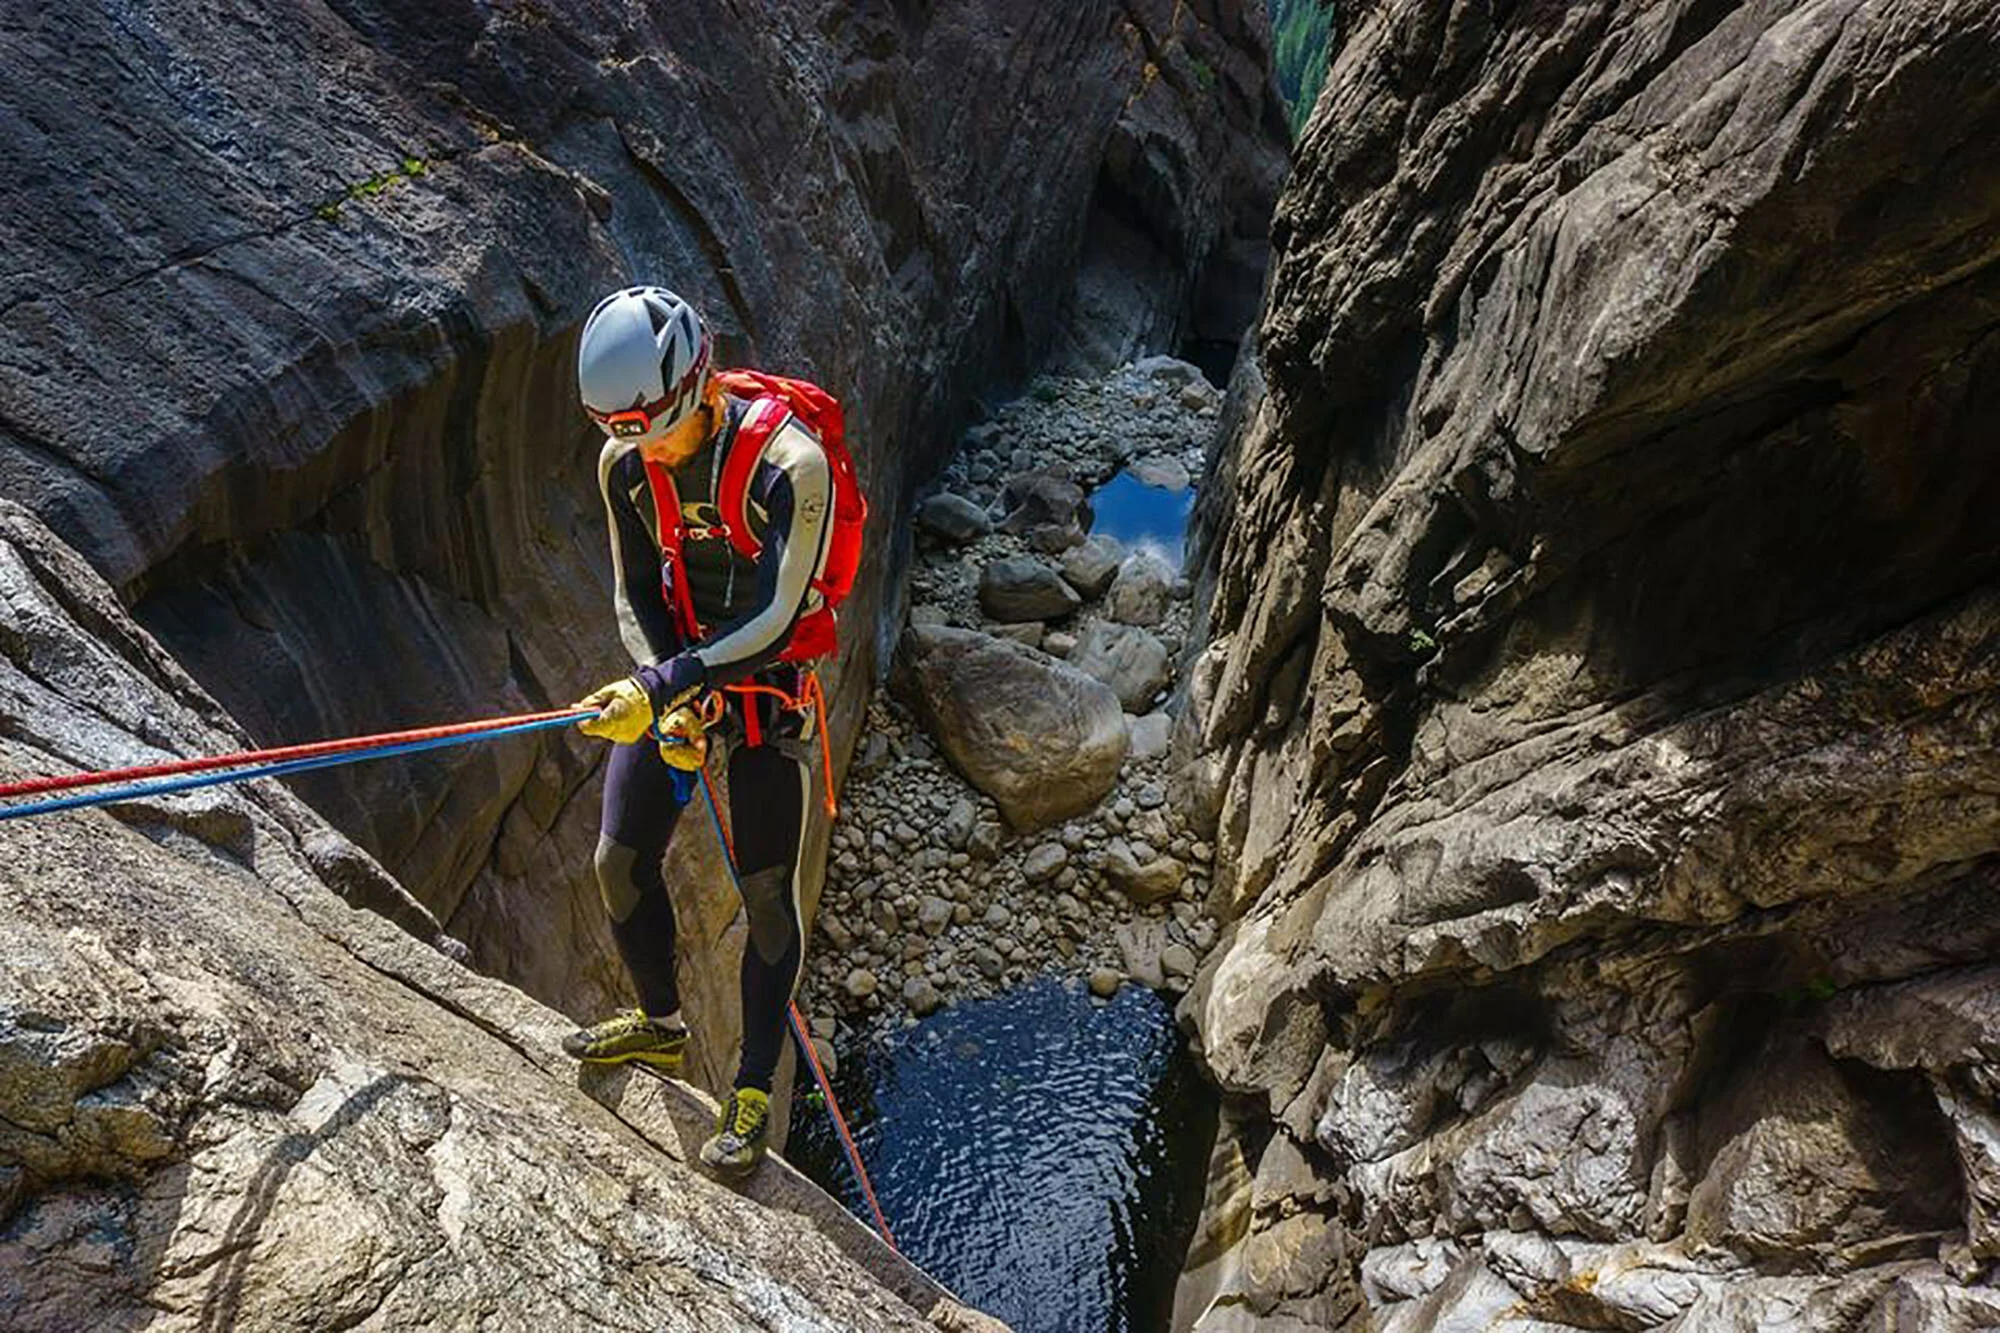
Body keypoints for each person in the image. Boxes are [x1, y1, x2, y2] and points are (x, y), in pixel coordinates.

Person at [564, 285, 835, 1176]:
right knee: (616, 860)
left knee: (766, 895)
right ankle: (660, 1027)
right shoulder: (625, 464)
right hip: (679, 675)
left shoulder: (790, 466)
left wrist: (676, 688)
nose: (644, 452)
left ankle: (753, 1084)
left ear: (697, 388)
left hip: (768, 691)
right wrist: (670, 695)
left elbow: (775, 614)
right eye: (625, 435)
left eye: (656, 432)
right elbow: (634, 591)